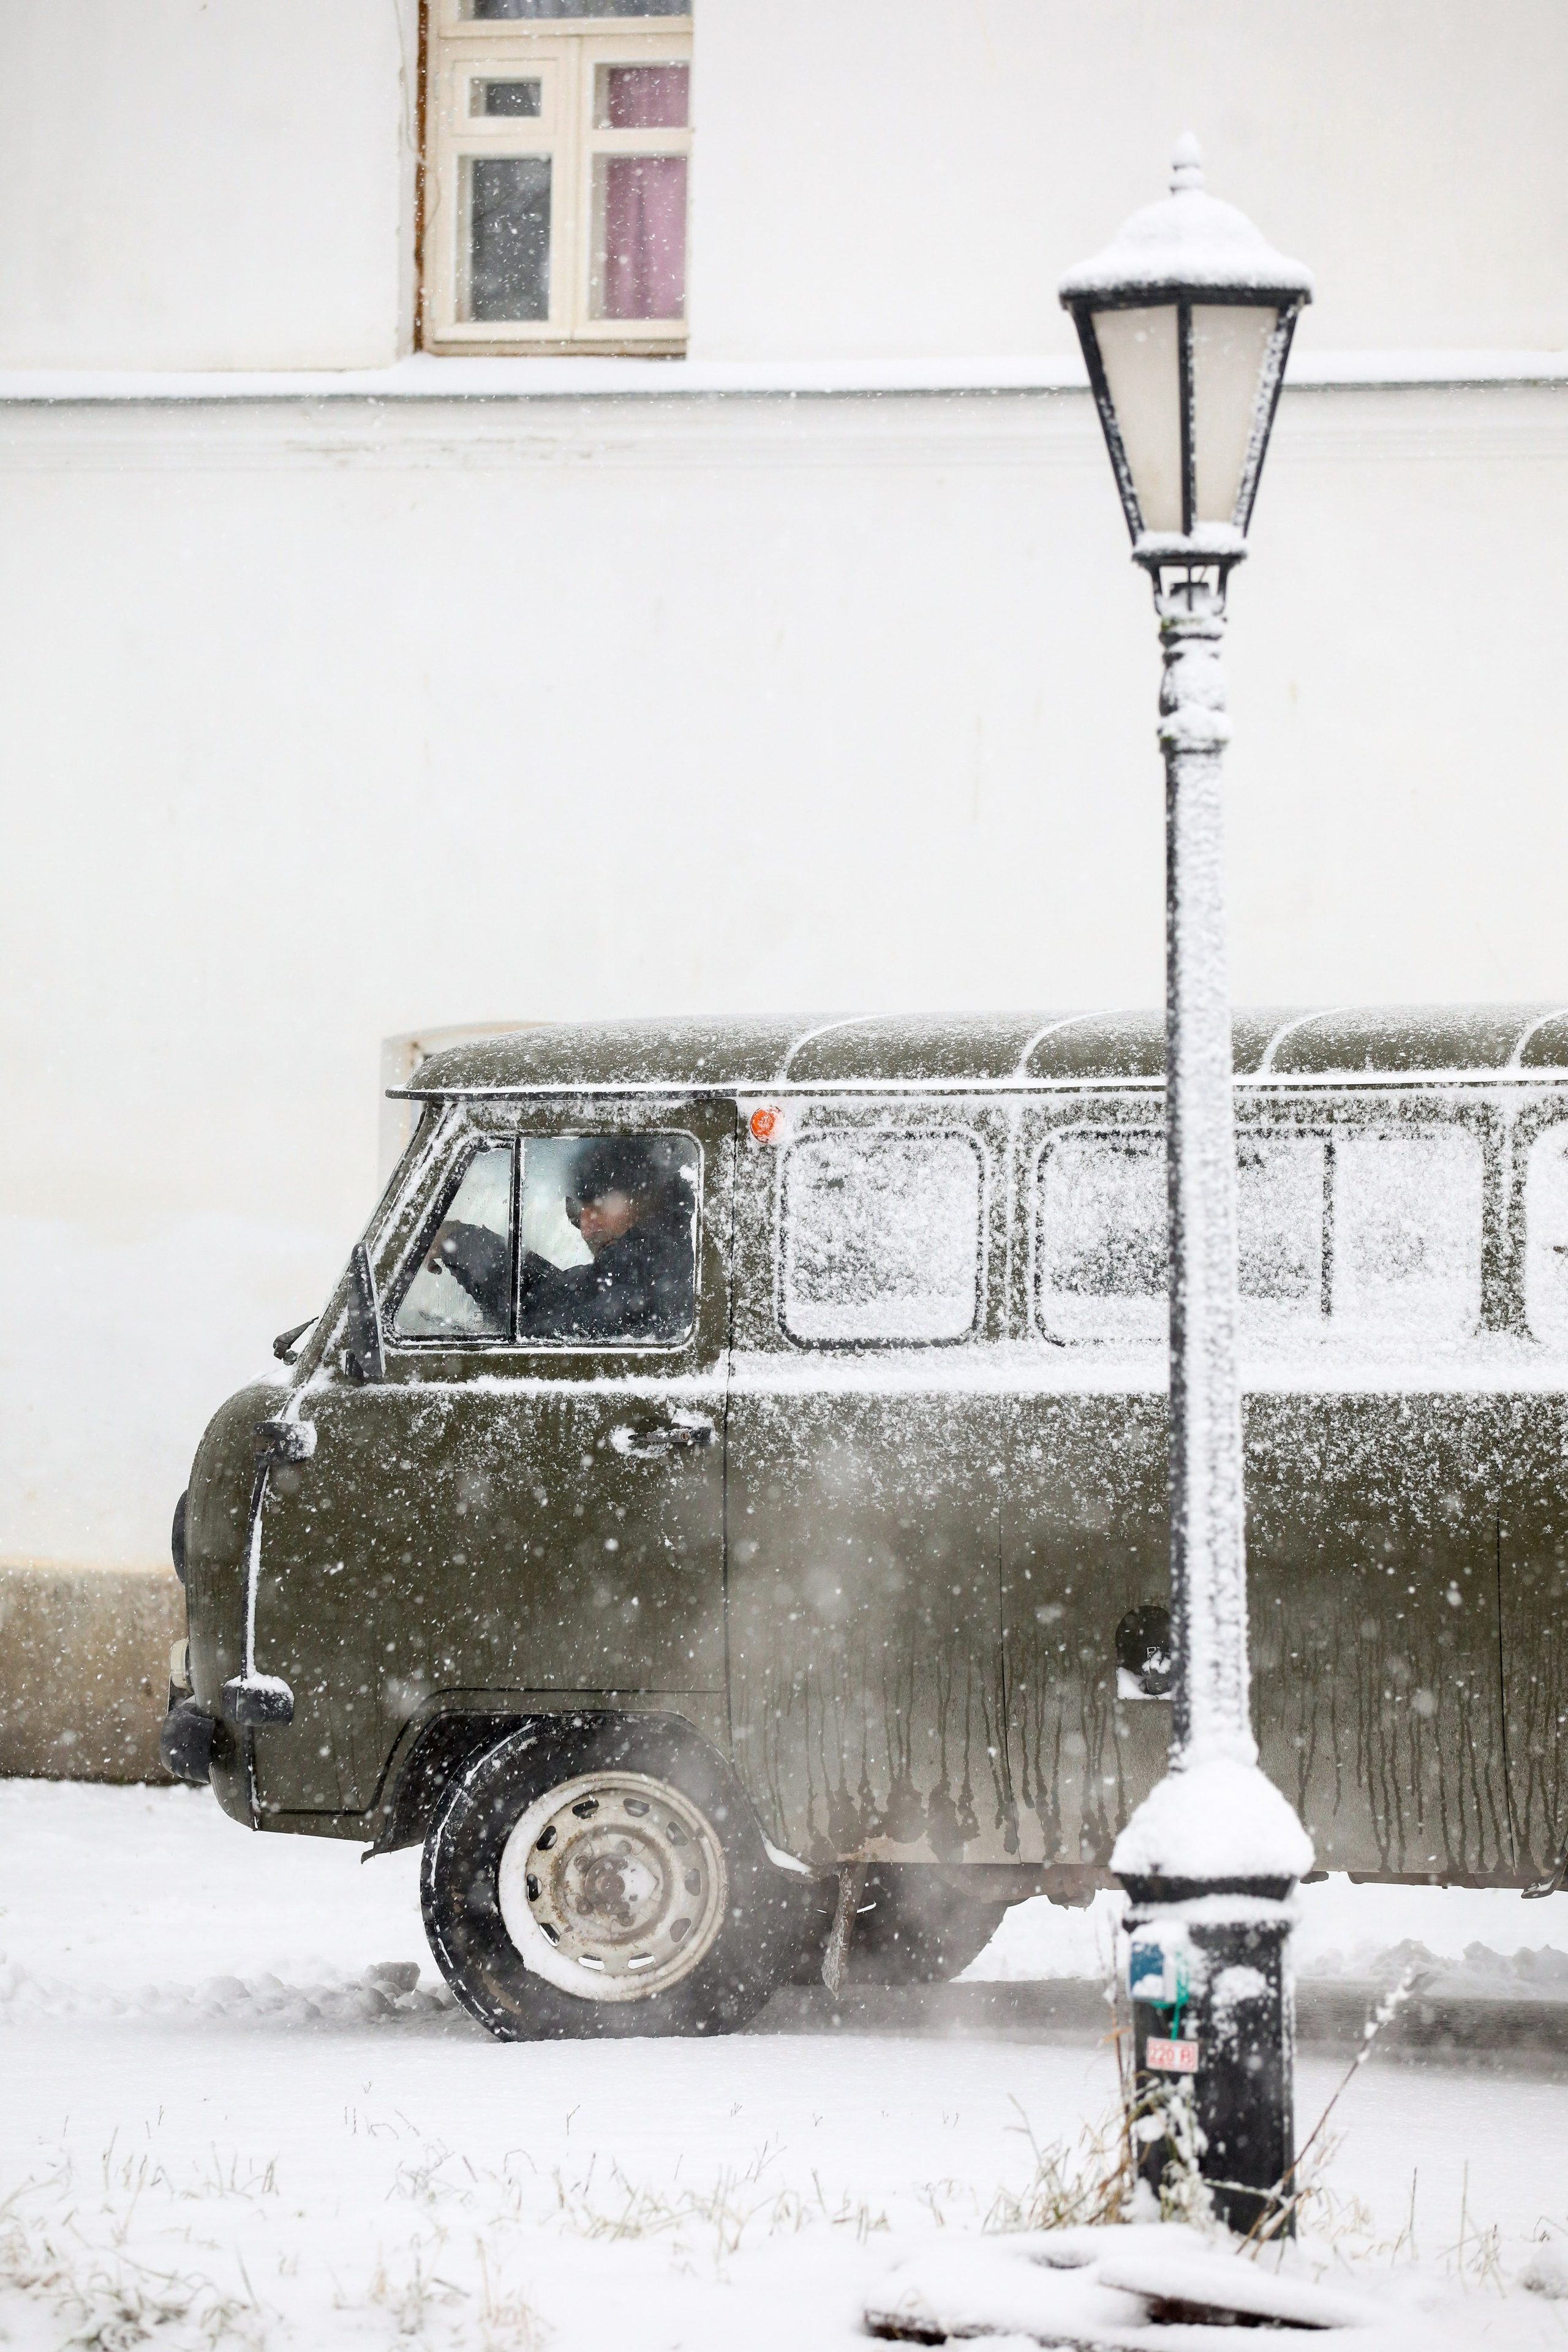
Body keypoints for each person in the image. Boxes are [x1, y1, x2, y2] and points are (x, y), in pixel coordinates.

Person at [517, 1136, 694, 1343]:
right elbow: (581, 1287)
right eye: (575, 1214)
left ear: (643, 1198)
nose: (586, 1230)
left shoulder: (647, 1285)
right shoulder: (633, 1261)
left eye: (599, 1207)